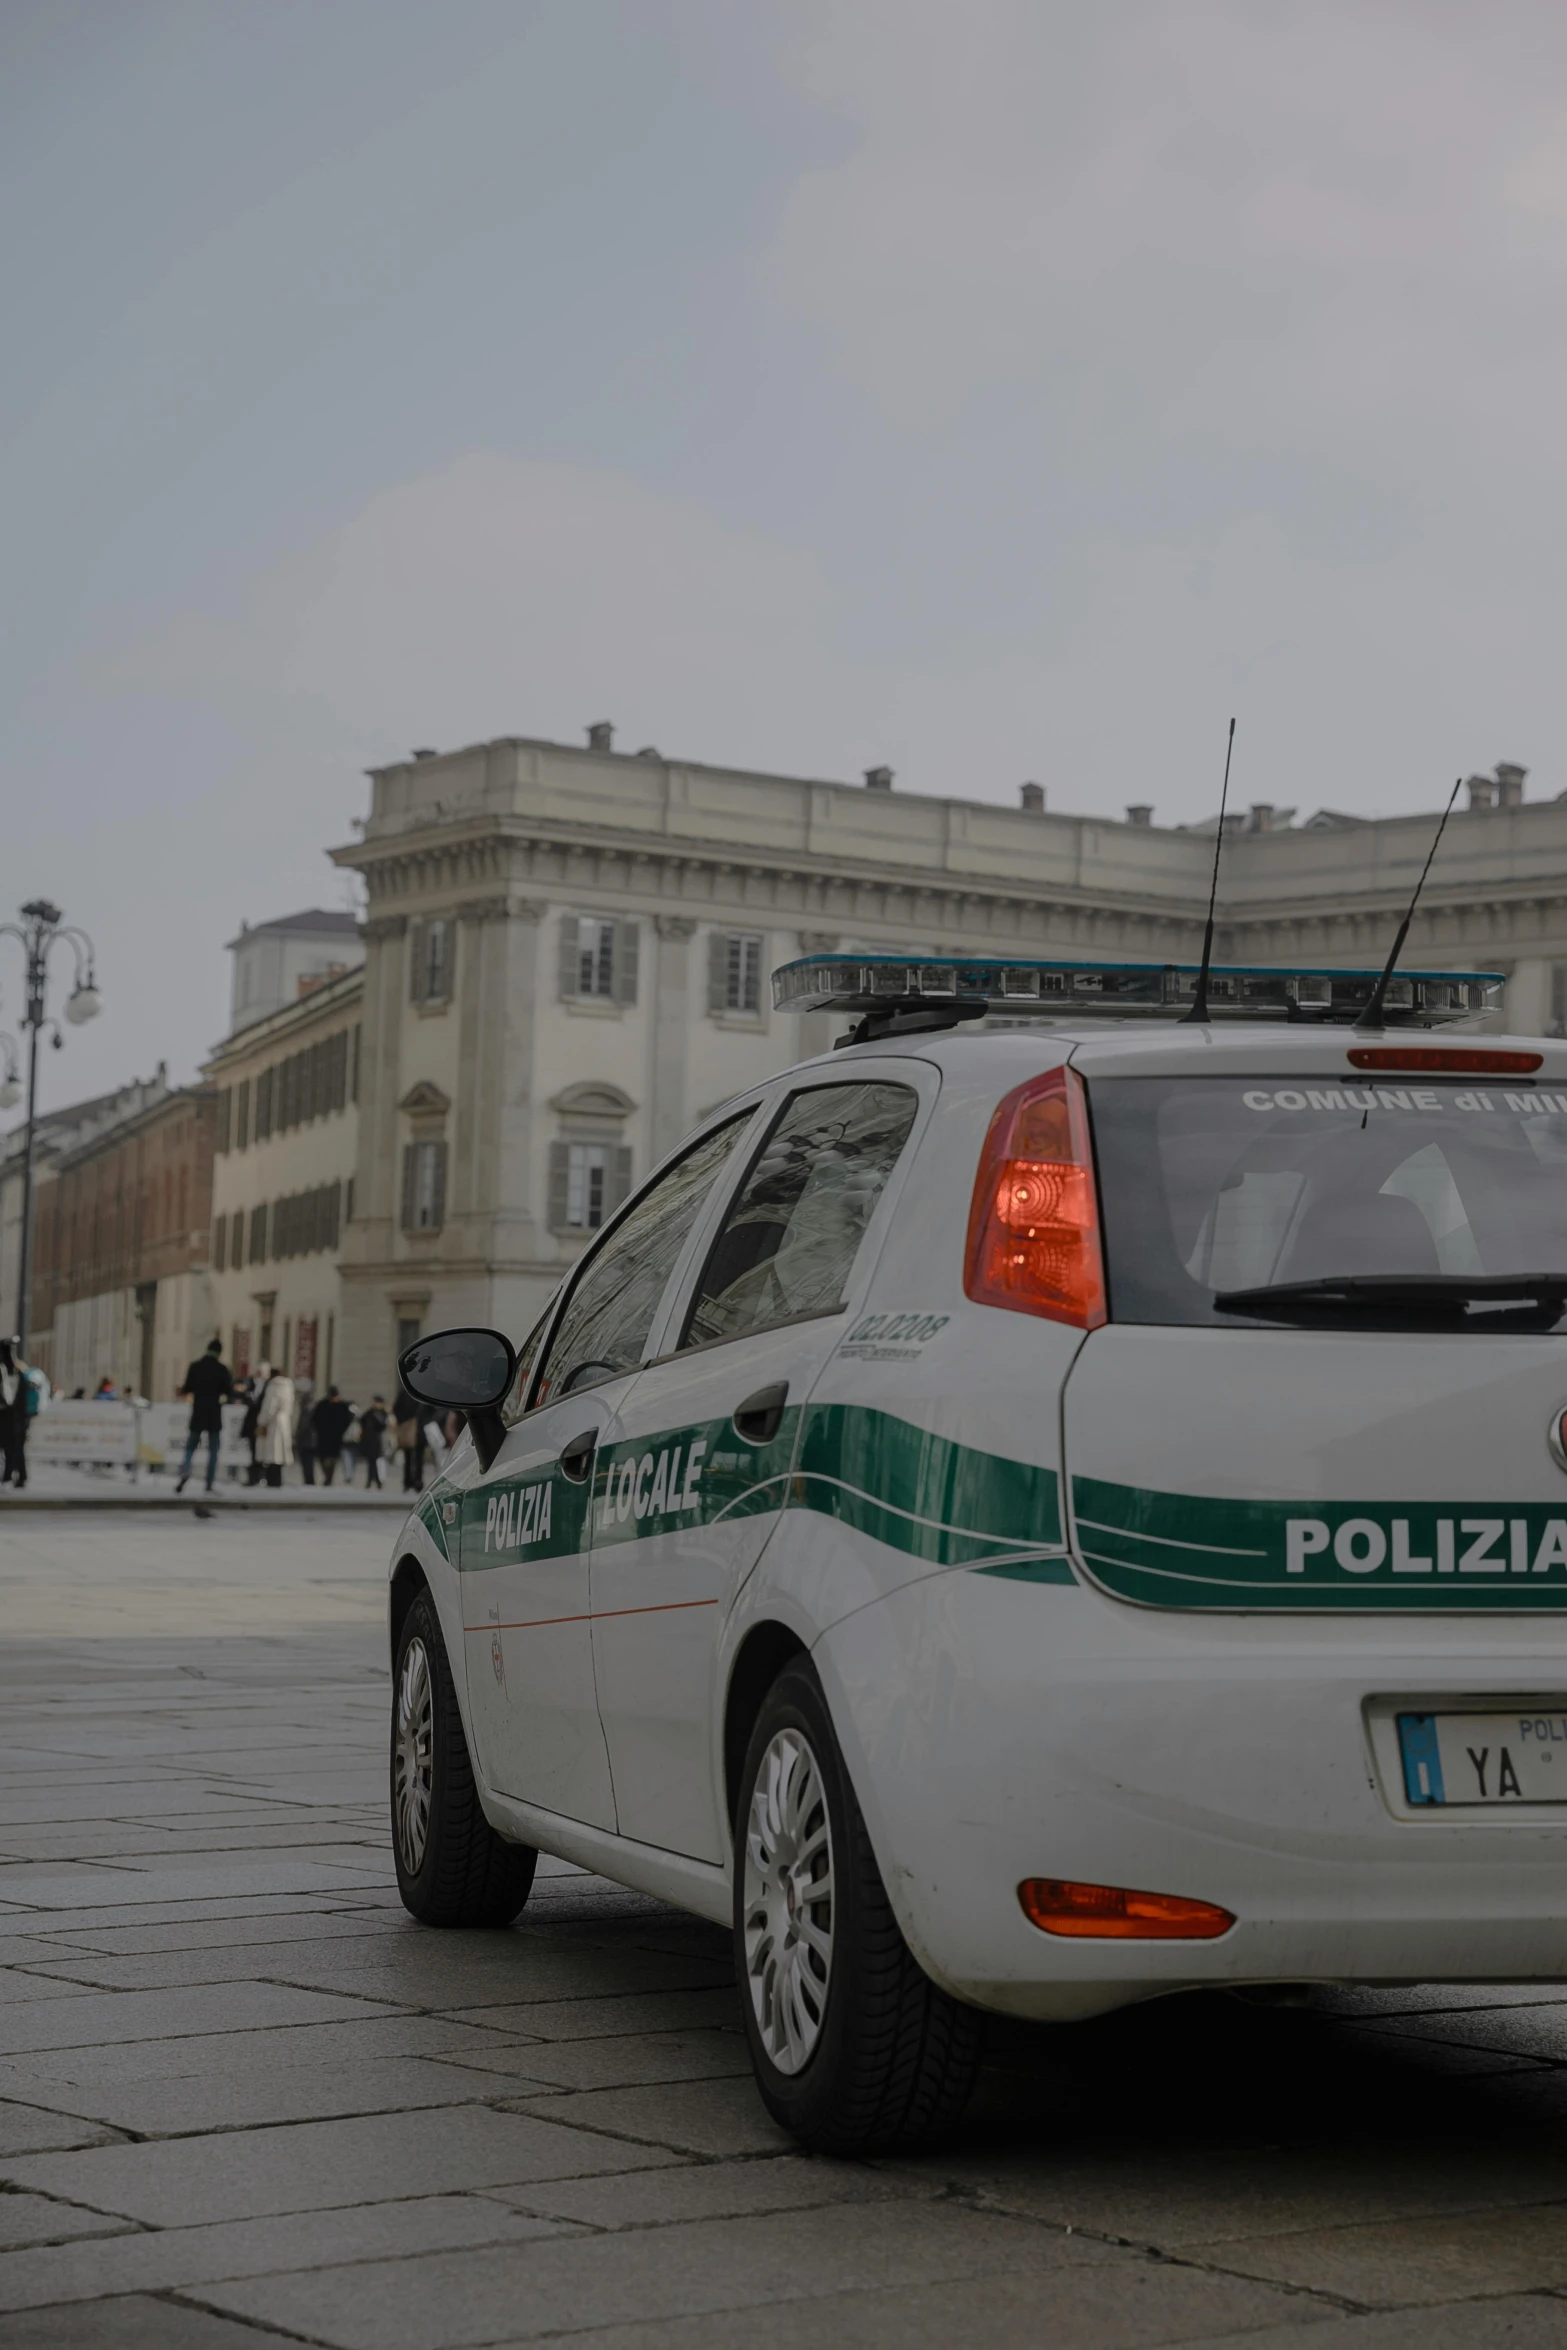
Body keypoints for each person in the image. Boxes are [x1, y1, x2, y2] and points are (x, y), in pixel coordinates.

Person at [174, 1338, 234, 1496]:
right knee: (213, 1450)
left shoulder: (195, 1367)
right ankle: (209, 1483)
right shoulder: (222, 1369)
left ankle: (186, 1470)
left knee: (190, 1446)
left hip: (198, 1410)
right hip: (214, 1412)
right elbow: (229, 1392)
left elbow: (187, 1388)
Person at [256, 1364, 296, 1489]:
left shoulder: (274, 1386)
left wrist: (262, 1421)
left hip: (274, 1423)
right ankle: (278, 1479)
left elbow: (270, 1406)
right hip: (284, 1421)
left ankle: (272, 1480)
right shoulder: (288, 1386)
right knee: (279, 1452)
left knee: (272, 1453)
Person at [0, 1339, 29, 1489]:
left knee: (11, 1448)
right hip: (17, 1418)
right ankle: (16, 1476)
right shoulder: (21, 1374)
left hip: (8, 1417)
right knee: (15, 1448)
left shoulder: (5, 1372)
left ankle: (11, 1475)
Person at [310, 1385, 354, 1485]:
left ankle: (329, 1477)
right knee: (322, 1457)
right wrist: (318, 1429)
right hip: (323, 1435)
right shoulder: (322, 1405)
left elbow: (348, 1420)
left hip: (336, 1437)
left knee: (333, 1458)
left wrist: (342, 1430)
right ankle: (327, 1475)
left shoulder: (342, 1406)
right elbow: (314, 1419)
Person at [393, 1383, 425, 1493]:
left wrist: (402, 1422)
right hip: (418, 1430)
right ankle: (417, 1481)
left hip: (410, 1430)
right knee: (417, 1458)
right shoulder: (422, 1392)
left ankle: (409, 1481)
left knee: (409, 1458)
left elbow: (396, 1409)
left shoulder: (405, 1392)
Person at [356, 1395, 389, 1489]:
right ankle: (374, 1480)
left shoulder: (382, 1413)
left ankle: (374, 1480)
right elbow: (362, 1420)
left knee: (375, 1461)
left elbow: (382, 1424)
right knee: (371, 1461)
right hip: (369, 1439)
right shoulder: (370, 1412)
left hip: (378, 1440)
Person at [294, 1376, 318, 1485]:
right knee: (309, 1462)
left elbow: (303, 1423)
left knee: (306, 1462)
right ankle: (309, 1480)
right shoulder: (313, 1404)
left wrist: (297, 1435)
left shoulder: (306, 1407)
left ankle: (309, 1481)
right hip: (311, 1439)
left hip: (306, 1439)